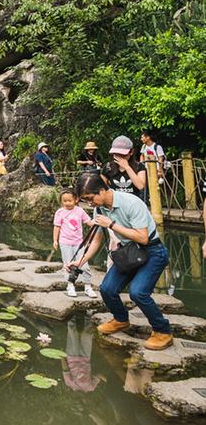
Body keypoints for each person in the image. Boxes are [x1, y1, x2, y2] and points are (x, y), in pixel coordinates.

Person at [69, 172, 173, 350]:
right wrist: (80, 261)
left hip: (153, 251)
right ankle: (121, 319)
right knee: (107, 289)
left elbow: (143, 238)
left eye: (90, 198)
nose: (89, 203)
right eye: (85, 200)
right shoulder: (99, 209)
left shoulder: (131, 203)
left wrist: (111, 225)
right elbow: (96, 240)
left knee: (138, 292)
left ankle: (163, 331)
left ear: (102, 190)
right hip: (129, 252)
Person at [53, 189, 96, 298]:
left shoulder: (80, 211)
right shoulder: (60, 212)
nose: (67, 203)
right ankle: (70, 285)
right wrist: (55, 240)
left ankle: (87, 286)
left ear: (76, 200)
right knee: (68, 264)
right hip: (65, 242)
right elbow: (57, 227)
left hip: (79, 243)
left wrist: (96, 222)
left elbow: (88, 222)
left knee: (84, 264)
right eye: (64, 201)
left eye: (70, 201)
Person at [101, 135, 146, 201]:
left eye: (123, 154)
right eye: (116, 154)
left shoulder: (139, 166)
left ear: (131, 152)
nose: (120, 157)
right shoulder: (108, 167)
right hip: (115, 203)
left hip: (134, 203)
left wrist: (127, 167)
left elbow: (141, 186)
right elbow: (101, 188)